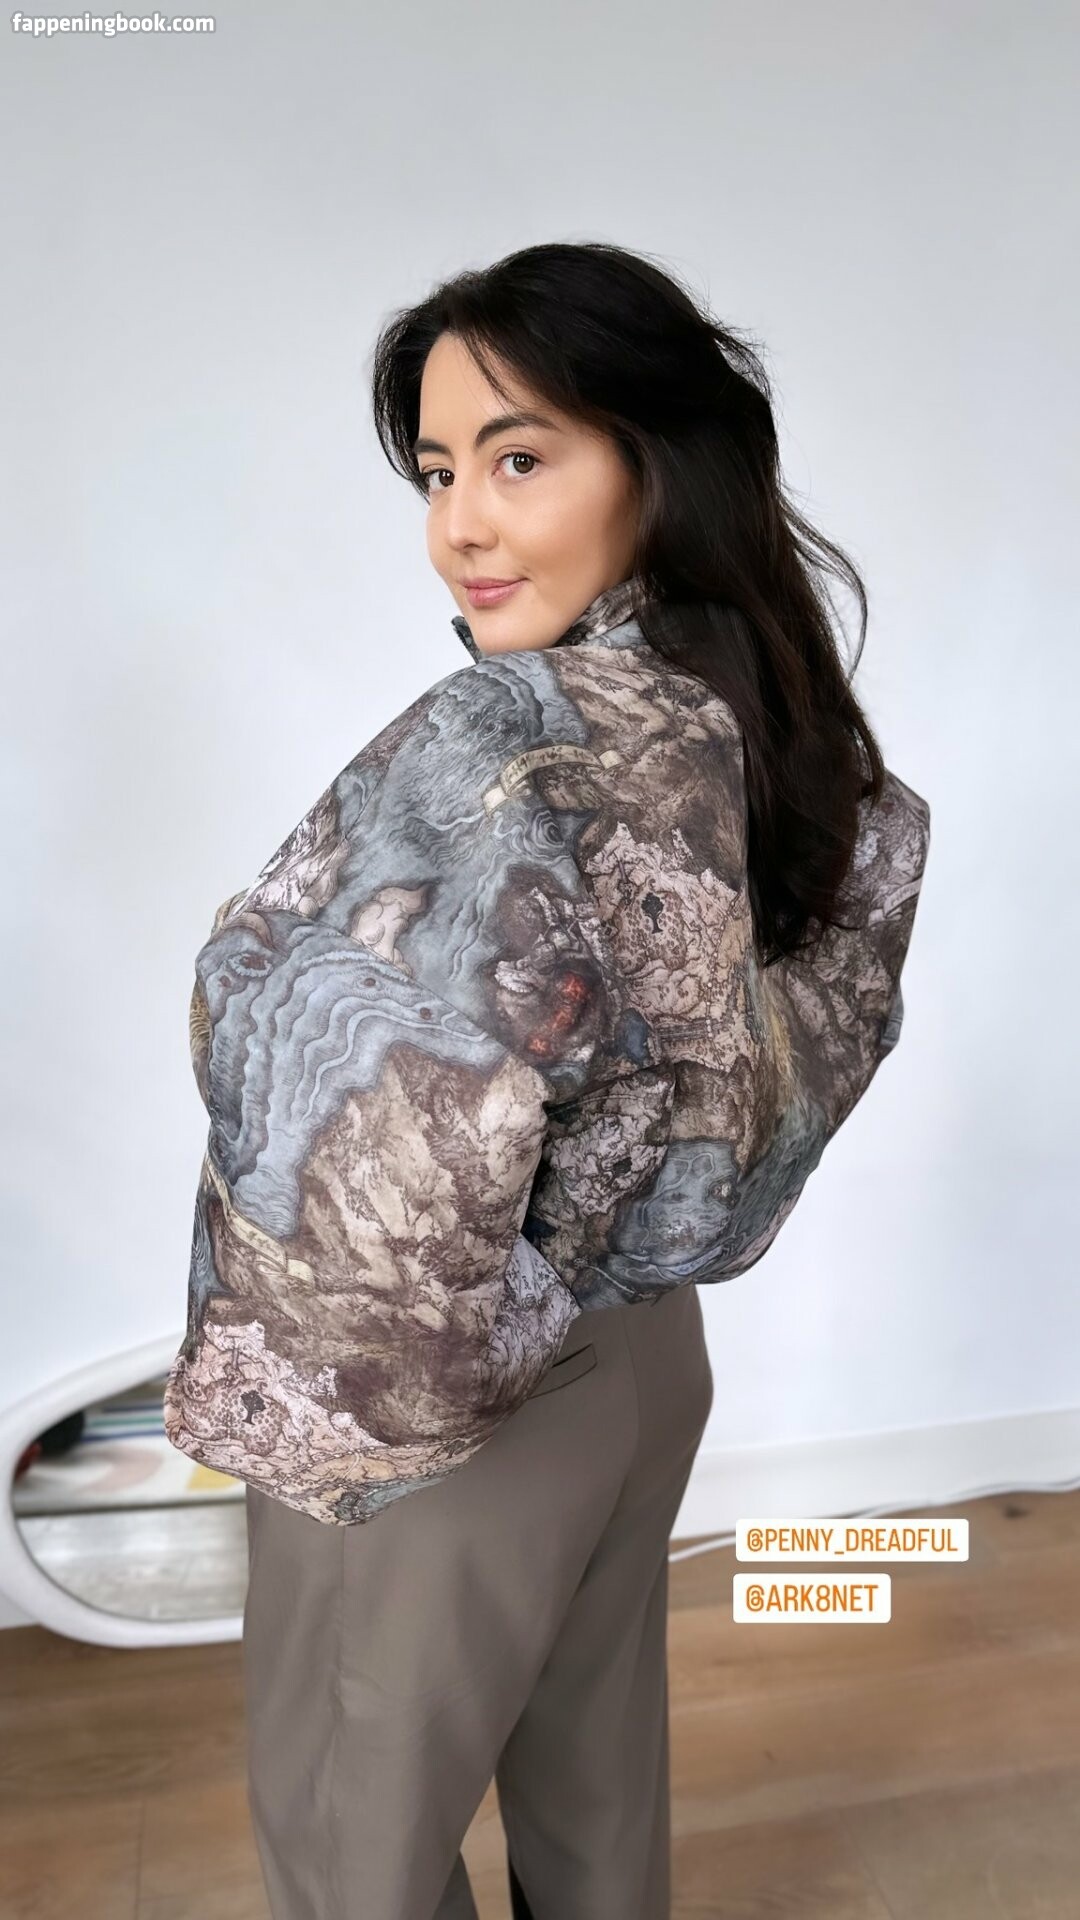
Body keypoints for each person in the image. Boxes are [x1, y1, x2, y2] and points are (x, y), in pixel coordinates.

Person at [164, 240, 931, 1920]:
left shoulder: (510, 736)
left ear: (658, 464)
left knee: (351, 1858)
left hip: (437, 1389)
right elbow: (800, 1042)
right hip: (644, 1357)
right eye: (439, 472)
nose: (462, 524)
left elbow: (389, 1117)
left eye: (519, 459)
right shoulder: (768, 724)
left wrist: (250, 967)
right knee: (595, 1809)